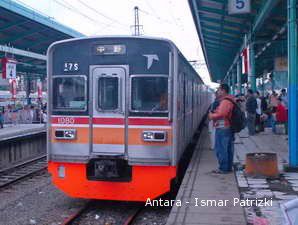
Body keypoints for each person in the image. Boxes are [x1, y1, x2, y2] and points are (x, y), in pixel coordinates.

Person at [208, 83, 234, 174]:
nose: (218, 92)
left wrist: (212, 115)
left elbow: (221, 114)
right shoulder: (230, 99)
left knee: (221, 149)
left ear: (223, 91)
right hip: (227, 127)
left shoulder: (225, 101)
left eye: (219, 90)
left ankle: (223, 168)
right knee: (228, 149)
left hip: (222, 128)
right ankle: (228, 167)